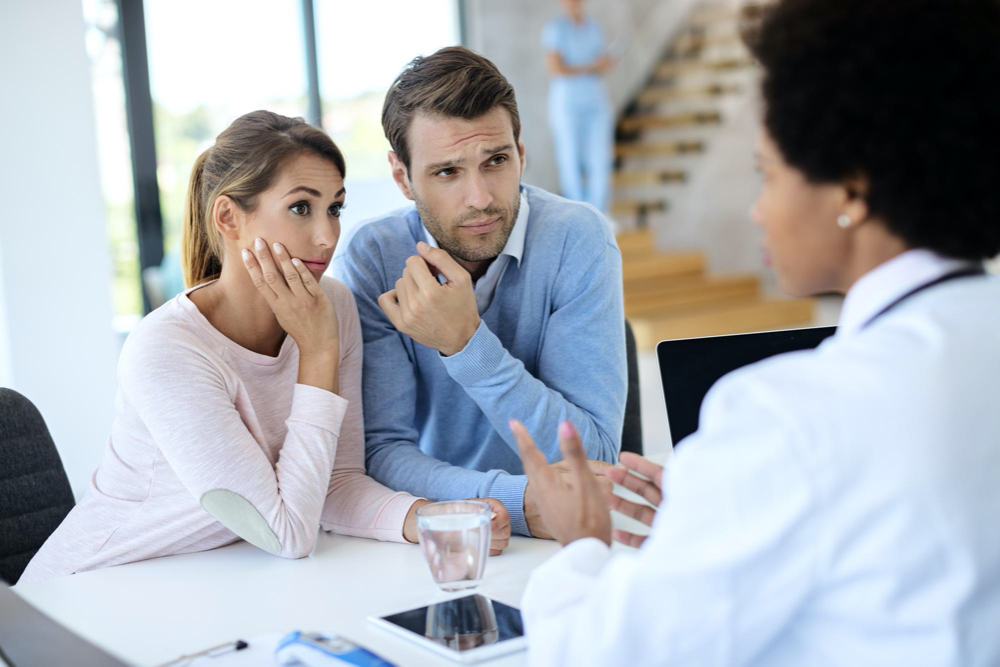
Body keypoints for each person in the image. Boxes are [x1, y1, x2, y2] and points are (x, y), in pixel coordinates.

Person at [511, 0, 1000, 663]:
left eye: (766, 172)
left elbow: (594, 654)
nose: (757, 207)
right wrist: (716, 507)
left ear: (851, 189)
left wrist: (584, 546)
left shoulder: (790, 418)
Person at [20, 111, 510, 584]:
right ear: (229, 217)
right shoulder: (167, 350)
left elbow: (334, 483)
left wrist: (431, 517)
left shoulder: (333, 305)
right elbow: (285, 532)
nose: (326, 237)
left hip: (213, 582)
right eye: (301, 208)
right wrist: (318, 353)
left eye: (334, 208)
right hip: (93, 589)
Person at [333, 46, 625, 539]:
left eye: (496, 161)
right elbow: (381, 454)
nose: (481, 198)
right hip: (442, 537)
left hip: (559, 536)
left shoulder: (578, 238)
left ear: (521, 153)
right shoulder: (375, 257)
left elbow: (593, 456)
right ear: (402, 177)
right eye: (447, 172)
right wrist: (511, 502)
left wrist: (466, 343)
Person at [542, 0, 615, 213]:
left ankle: (600, 215)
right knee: (570, 158)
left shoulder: (594, 27)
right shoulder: (555, 29)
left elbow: (599, 66)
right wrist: (592, 66)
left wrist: (603, 65)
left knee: (600, 158)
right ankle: (580, 214)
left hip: (595, 99)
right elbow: (556, 68)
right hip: (567, 102)